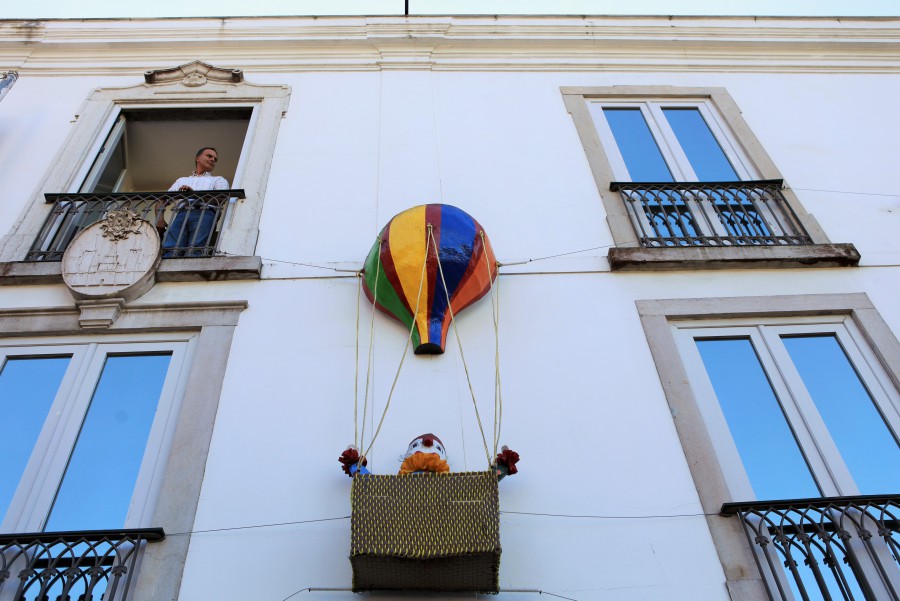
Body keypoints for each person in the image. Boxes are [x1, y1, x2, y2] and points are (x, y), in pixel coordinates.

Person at [160, 147, 229, 257]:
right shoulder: (182, 180)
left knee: (195, 250)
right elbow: (163, 198)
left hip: (204, 213)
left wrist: (195, 195)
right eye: (209, 156)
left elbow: (221, 198)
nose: (213, 160)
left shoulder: (218, 180)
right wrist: (160, 219)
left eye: (215, 159)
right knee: (170, 250)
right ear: (198, 158)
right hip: (181, 214)